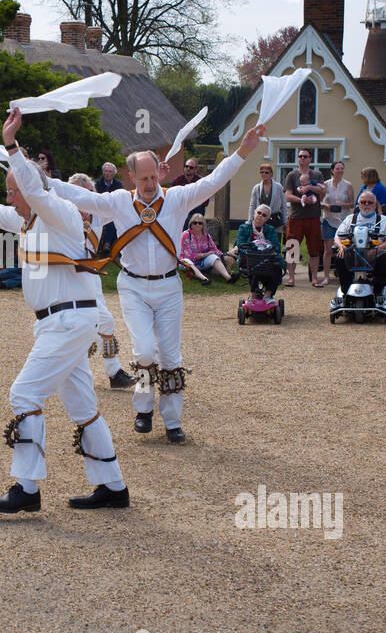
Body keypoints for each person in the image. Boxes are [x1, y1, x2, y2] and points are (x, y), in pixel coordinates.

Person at [0, 109, 130, 513]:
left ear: (32, 190)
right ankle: (113, 487)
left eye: (13, 191)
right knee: (83, 408)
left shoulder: (60, 213)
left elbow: (32, 185)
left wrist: (12, 145)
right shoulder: (27, 222)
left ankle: (27, 490)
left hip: (67, 322)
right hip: (60, 323)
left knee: (24, 393)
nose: (9, 197)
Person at [46, 123, 265, 442]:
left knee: (171, 356)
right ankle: (144, 408)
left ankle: (173, 421)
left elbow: (216, 179)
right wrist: (22, 167)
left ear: (159, 174)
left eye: (153, 177)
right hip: (133, 286)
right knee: (145, 350)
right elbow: (73, 192)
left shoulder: (177, 198)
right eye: (143, 178)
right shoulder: (119, 201)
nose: (149, 184)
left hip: (168, 287)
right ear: (131, 177)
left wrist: (243, 149)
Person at [67, 173, 136, 389]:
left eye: (87, 194)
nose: (82, 199)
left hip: (91, 274)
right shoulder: (61, 215)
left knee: (94, 322)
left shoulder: (97, 215)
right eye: (77, 193)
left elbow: (122, 205)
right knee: (101, 321)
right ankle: (111, 371)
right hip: (68, 276)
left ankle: (82, 369)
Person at [332, 191, 386, 306]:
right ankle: (346, 291)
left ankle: (378, 293)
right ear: (359, 204)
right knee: (339, 258)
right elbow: (337, 237)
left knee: (384, 258)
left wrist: (377, 249)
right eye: (363, 202)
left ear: (375, 204)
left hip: (376, 253)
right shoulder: (350, 219)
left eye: (370, 202)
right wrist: (341, 247)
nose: (366, 204)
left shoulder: (383, 220)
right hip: (352, 253)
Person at [283, 149, 326, 286]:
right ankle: (291, 278)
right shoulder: (292, 175)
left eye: (305, 156)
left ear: (310, 159)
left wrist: (309, 188)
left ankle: (314, 278)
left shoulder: (317, 174)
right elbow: (288, 195)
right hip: (296, 217)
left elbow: (322, 190)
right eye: (300, 156)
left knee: (314, 249)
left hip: (313, 217)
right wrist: (301, 200)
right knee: (292, 247)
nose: (302, 158)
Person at [233, 204, 284, 296]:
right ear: (254, 213)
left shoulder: (271, 230)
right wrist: (251, 253)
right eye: (259, 213)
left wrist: (266, 253)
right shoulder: (244, 228)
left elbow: (276, 247)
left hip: (267, 258)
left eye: (264, 215)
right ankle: (253, 294)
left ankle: (268, 294)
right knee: (255, 265)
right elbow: (240, 245)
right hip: (249, 258)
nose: (260, 216)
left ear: (267, 218)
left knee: (277, 266)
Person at [321, 160, 354, 285]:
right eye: (337, 169)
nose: (340, 171)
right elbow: (319, 202)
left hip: (343, 221)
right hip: (329, 220)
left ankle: (345, 274)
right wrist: (326, 205)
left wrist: (343, 204)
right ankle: (326, 277)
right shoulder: (325, 185)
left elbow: (352, 203)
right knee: (328, 250)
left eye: (342, 168)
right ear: (332, 170)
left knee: (345, 248)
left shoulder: (348, 185)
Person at [179, 213, 235, 283]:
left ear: (203, 225)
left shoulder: (206, 236)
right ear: (191, 224)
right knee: (187, 261)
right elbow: (188, 255)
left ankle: (228, 277)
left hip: (201, 262)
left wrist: (223, 256)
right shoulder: (186, 235)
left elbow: (214, 250)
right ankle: (204, 279)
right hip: (186, 263)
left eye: (200, 223)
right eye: (195, 223)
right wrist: (205, 254)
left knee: (214, 257)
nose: (197, 225)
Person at [168, 157, 209, 226]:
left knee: (195, 215)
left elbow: (206, 201)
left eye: (191, 167)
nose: (188, 169)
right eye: (186, 166)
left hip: (196, 207)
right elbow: (171, 198)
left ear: (195, 170)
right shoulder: (177, 181)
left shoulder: (201, 182)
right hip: (182, 207)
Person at [94, 162, 123, 253]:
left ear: (114, 173)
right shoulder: (96, 183)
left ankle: (108, 244)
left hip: (112, 210)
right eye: (106, 171)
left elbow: (120, 199)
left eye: (110, 171)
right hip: (99, 210)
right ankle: (107, 244)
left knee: (113, 220)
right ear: (103, 172)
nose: (108, 173)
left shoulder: (118, 184)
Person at [248, 161, 286, 228]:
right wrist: (250, 221)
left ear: (271, 174)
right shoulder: (256, 188)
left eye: (266, 172)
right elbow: (252, 205)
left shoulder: (278, 187)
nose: (264, 174)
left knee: (275, 238)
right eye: (262, 172)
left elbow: (283, 205)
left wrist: (285, 221)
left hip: (275, 221)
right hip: (259, 221)